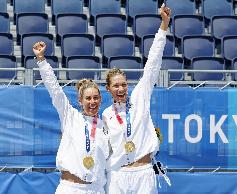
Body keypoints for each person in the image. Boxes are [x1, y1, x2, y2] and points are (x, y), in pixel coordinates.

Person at [102, 5, 171, 194]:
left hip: (143, 173)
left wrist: (164, 26)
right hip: (118, 176)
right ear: (108, 89)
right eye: (116, 86)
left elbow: (152, 64)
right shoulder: (106, 115)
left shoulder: (140, 96)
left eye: (124, 84)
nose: (121, 89)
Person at [33, 42, 109, 194]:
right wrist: (41, 60)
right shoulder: (70, 116)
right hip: (71, 188)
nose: (92, 102)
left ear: (100, 99)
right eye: (88, 98)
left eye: (96, 98)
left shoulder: (105, 125)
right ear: (80, 101)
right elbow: (55, 90)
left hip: (96, 189)